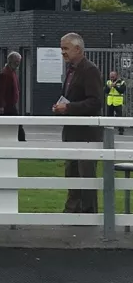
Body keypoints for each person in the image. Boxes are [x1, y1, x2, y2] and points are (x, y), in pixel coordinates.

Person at [53, 32, 103, 214]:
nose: (62, 52)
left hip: (87, 134)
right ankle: (72, 213)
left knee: (86, 176)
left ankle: (88, 216)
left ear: (77, 49)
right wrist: (61, 107)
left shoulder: (90, 70)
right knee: (71, 173)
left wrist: (68, 108)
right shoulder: (71, 71)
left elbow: (95, 102)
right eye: (61, 48)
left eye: (65, 48)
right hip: (72, 132)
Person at [0, 51, 26, 142]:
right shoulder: (5, 74)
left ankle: (16, 138)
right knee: (17, 122)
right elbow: (0, 91)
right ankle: (21, 139)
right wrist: (1, 105)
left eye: (19, 62)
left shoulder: (12, 72)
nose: (18, 64)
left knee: (13, 123)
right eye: (16, 62)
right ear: (11, 61)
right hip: (7, 104)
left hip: (11, 103)